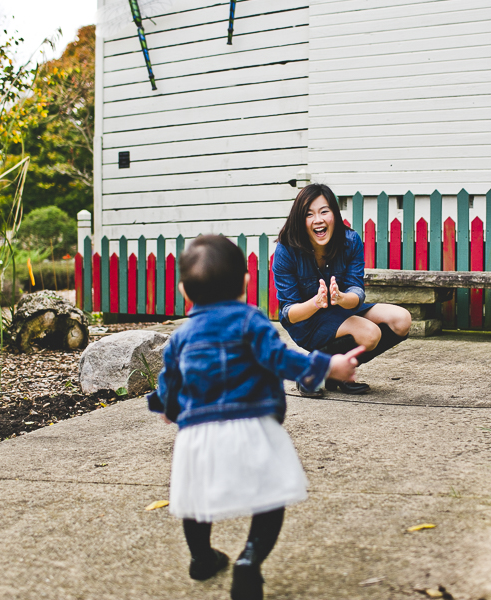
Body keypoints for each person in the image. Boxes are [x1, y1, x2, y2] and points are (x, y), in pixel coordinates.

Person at [147, 234, 364, 600]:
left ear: (185, 291)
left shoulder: (181, 338)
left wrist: (169, 410)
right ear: (246, 283)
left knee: (196, 501)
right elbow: (282, 359)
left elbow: (169, 385)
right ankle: (250, 558)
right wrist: (329, 366)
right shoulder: (251, 321)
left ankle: (202, 558)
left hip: (197, 434)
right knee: (270, 498)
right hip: (251, 425)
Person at [272, 183, 412, 396]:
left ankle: (334, 373)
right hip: (307, 321)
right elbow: (289, 313)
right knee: (369, 333)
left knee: (402, 320)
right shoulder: (286, 250)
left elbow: (357, 290)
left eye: (324, 211)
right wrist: (316, 302)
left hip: (342, 309)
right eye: (309, 214)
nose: (318, 220)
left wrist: (341, 298)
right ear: (300, 220)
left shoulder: (350, 241)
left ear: (334, 215)